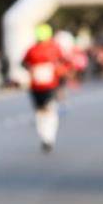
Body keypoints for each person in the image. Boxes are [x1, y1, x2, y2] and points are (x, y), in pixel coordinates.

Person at [22, 25, 64, 154]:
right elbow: (62, 64)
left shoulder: (33, 49)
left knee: (44, 111)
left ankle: (46, 137)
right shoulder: (53, 48)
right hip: (43, 85)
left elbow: (24, 63)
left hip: (43, 85)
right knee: (46, 111)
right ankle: (47, 137)